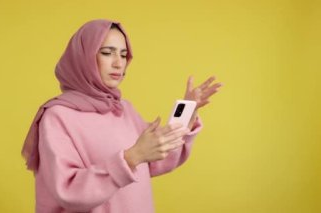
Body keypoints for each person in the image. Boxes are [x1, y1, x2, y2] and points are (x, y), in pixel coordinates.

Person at [21, 19, 222, 213]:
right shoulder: (58, 116)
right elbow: (68, 189)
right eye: (108, 53)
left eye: (124, 55)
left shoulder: (122, 109)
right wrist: (132, 157)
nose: (119, 63)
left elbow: (159, 156)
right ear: (83, 57)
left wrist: (188, 110)